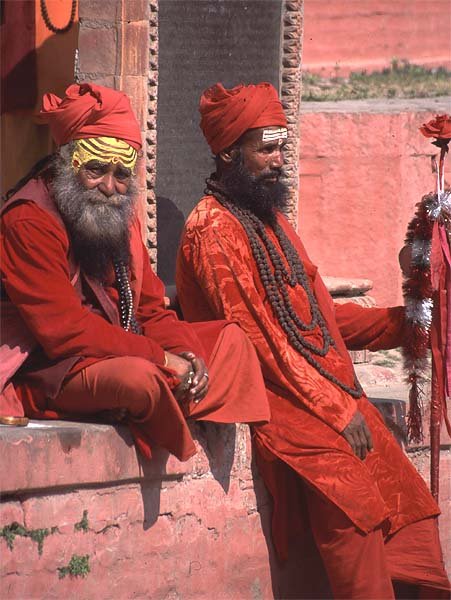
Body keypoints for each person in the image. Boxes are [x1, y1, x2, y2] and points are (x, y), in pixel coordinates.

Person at [176, 82, 451, 598]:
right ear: (229, 151)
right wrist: (333, 408)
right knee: (354, 506)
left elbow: (320, 322)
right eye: (268, 146)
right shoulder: (211, 229)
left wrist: (410, 321)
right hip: (279, 399)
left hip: (324, 391)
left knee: (407, 500)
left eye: (283, 144)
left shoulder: (273, 222)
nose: (281, 158)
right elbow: (261, 337)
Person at [0, 83, 270, 462]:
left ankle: (151, 401)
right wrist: (159, 359)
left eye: (121, 174)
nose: (109, 187)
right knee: (139, 382)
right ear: (67, 164)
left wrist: (183, 352)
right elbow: (65, 332)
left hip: (122, 348)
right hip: (53, 365)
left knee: (231, 343)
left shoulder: (115, 215)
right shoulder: (29, 219)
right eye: (95, 170)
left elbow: (149, 308)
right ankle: (107, 400)